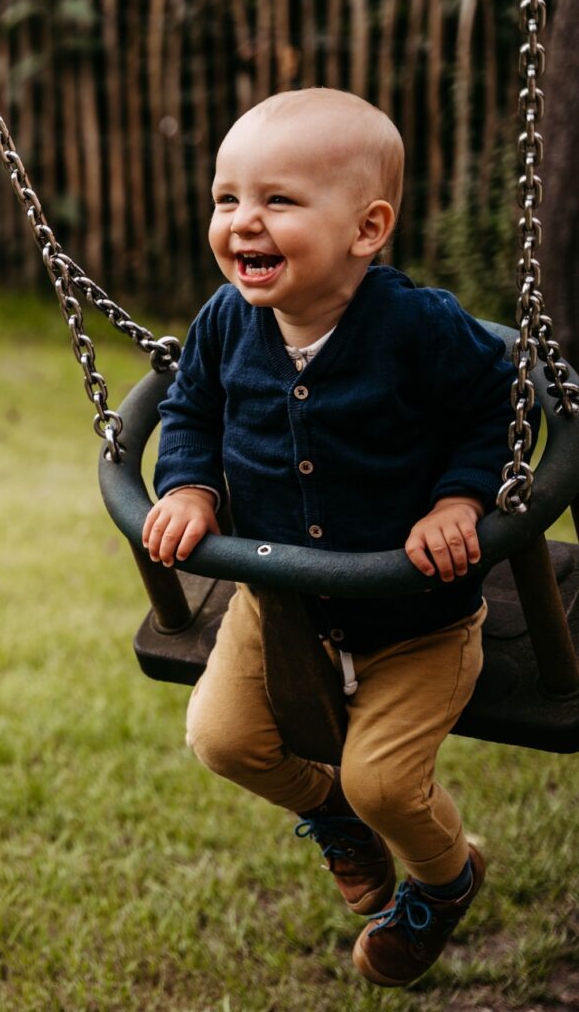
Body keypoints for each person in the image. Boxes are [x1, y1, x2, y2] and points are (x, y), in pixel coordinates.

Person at [142, 87, 518, 987]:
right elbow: (191, 409)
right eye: (226, 199)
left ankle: (445, 878)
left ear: (366, 227)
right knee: (224, 740)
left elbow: (498, 409)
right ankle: (338, 821)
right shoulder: (226, 321)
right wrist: (189, 484)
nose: (242, 222)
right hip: (281, 601)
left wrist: (458, 503)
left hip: (417, 614)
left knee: (385, 781)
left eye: (277, 201)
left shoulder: (418, 327)